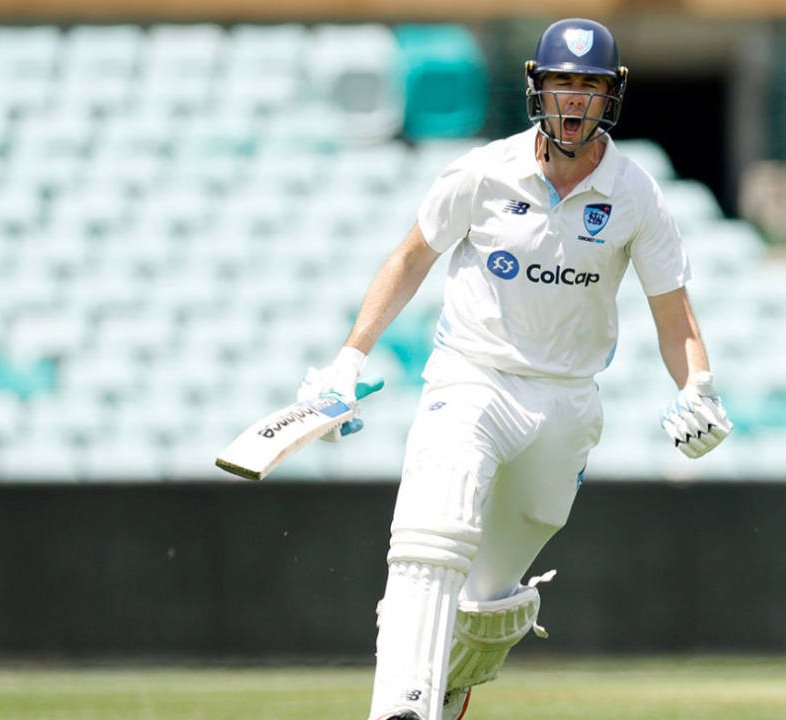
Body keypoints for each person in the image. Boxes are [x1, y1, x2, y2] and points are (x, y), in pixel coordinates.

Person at [297, 17, 732, 720]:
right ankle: (399, 708)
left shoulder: (636, 194)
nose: (572, 100)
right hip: (474, 376)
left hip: (566, 402)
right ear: (538, 88)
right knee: (429, 539)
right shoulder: (483, 172)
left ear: (609, 97)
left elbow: (673, 313)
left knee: (487, 602)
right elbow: (409, 260)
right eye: (561, 83)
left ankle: (445, 686)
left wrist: (700, 390)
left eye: (588, 86)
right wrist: (349, 361)